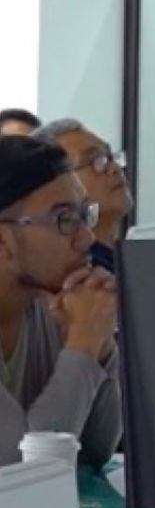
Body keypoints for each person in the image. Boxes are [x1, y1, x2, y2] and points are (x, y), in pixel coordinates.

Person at [0, 136, 121, 468]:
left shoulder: (53, 306)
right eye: (65, 220)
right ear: (3, 241)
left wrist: (100, 343)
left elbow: (95, 451)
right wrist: (83, 346)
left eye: (84, 215)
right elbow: (24, 472)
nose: (87, 237)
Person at [34, 119, 133, 272]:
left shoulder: (132, 261)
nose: (114, 168)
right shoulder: (73, 274)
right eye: (96, 161)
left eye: (110, 157)